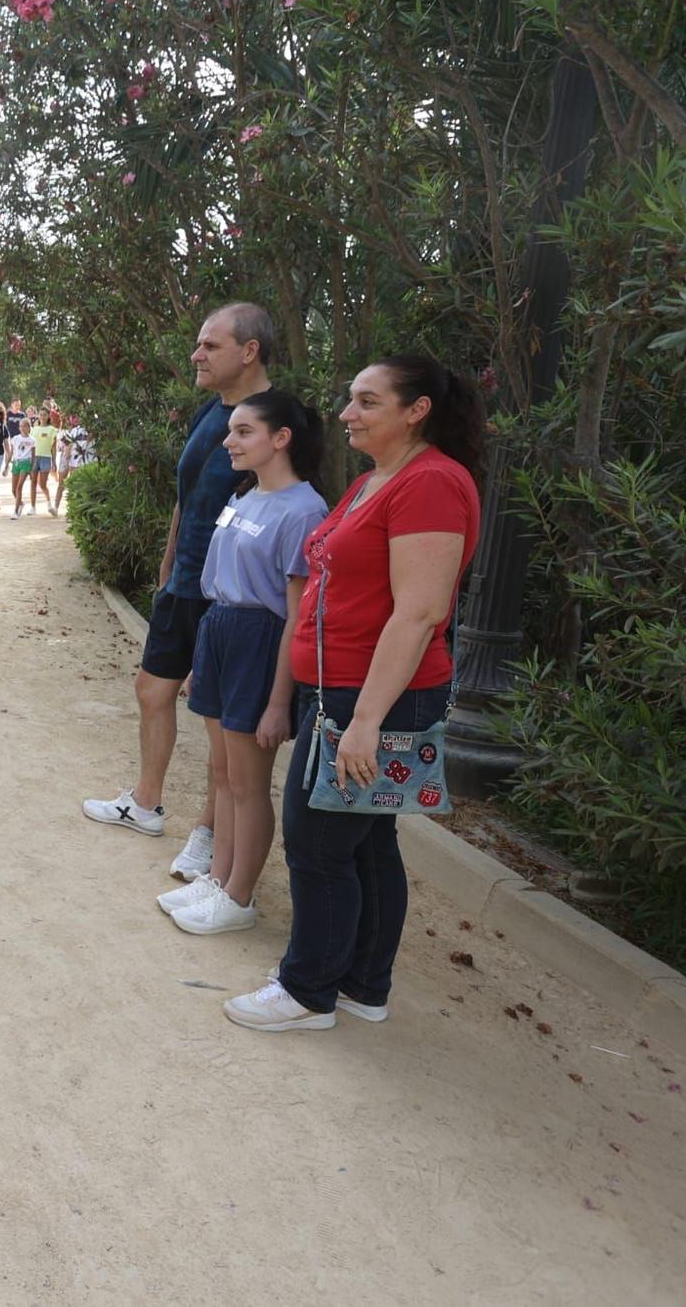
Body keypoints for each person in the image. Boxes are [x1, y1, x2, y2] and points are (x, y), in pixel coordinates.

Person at [224, 355, 483, 1031]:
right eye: (350, 400)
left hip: (372, 697)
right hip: (340, 689)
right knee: (365, 843)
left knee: (316, 842)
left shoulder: (431, 484)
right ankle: (363, 984)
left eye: (368, 402)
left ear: (416, 410)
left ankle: (308, 989)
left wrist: (365, 719)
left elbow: (420, 611)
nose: (347, 413)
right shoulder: (381, 480)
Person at [82, 303, 275, 875]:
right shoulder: (208, 415)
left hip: (228, 595)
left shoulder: (271, 420)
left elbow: (273, 508)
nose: (196, 354)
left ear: (249, 351)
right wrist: (168, 565)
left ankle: (209, 834)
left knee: (219, 726)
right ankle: (145, 802)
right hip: (184, 582)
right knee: (152, 689)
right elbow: (186, 496)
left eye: (210, 345)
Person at [156, 391, 328, 936]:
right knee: (225, 774)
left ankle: (239, 895)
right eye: (231, 431)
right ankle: (219, 877)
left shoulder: (305, 510)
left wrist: (280, 700)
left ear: (282, 439)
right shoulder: (246, 493)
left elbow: (298, 615)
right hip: (221, 629)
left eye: (244, 431)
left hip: (261, 639)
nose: (229, 441)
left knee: (249, 781)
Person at [31, 403, 61, 516]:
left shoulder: (52, 430)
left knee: (42, 484)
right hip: (35, 458)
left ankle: (49, 503)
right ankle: (33, 507)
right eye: (41, 415)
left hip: (46, 458)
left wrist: (54, 462)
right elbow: (31, 445)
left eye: (45, 415)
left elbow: (54, 447)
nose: (42, 417)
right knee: (33, 483)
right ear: (38, 416)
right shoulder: (34, 429)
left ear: (48, 416)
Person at [8, 417, 37, 517]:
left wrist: (32, 469)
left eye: (25, 426)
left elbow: (33, 456)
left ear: (29, 427)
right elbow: (11, 452)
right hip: (16, 463)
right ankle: (20, 503)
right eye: (21, 426)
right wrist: (6, 465)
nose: (22, 428)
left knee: (19, 487)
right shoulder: (15, 439)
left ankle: (15, 511)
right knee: (13, 489)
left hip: (26, 463)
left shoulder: (32, 440)